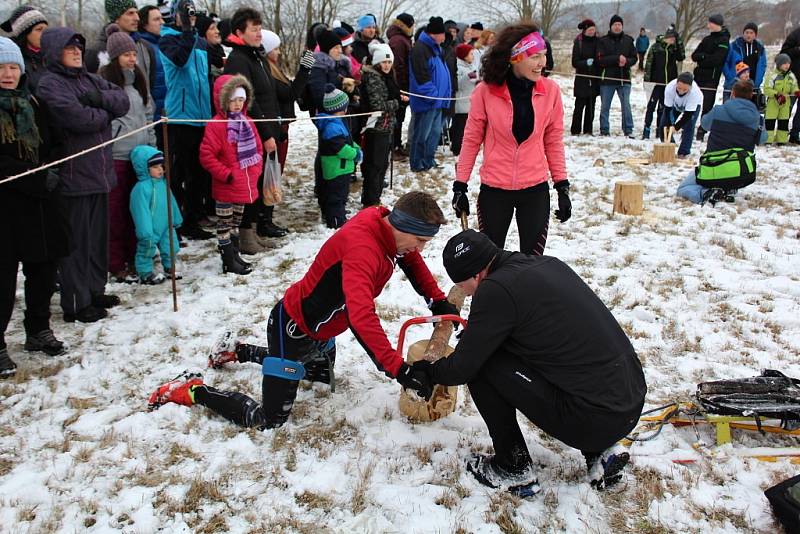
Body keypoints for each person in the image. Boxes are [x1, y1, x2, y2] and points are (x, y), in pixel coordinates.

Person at [148, 192, 457, 431]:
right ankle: (194, 390)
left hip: (325, 333)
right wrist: (399, 369)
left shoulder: (386, 224)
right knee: (269, 419)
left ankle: (239, 351)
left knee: (318, 378)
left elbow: (409, 259)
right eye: (419, 240)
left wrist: (437, 300)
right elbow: (362, 316)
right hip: (292, 329)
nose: (420, 249)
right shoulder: (363, 249)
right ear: (403, 226)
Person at [410, 229, 646, 495]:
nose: (463, 292)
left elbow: (464, 367)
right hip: (628, 401)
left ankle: (513, 467)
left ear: (476, 274)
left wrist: (428, 372)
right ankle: (601, 452)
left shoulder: (495, 290)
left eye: (462, 285)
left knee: (483, 366)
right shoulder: (547, 266)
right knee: (562, 358)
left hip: (591, 418)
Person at [36, 27, 129, 323]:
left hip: (100, 173)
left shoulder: (90, 78)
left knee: (97, 240)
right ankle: (76, 302)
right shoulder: (51, 84)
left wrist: (98, 101)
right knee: (77, 243)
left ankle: (94, 289)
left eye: (79, 47)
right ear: (54, 51)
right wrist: (104, 113)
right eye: (69, 48)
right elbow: (78, 118)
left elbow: (122, 101)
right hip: (74, 176)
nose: (77, 52)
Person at [453, 24, 569, 255]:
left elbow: (553, 140)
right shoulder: (486, 91)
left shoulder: (551, 91)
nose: (542, 63)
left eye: (544, 55)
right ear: (516, 58)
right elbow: (471, 140)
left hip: (535, 190)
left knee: (531, 263)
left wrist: (562, 186)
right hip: (495, 191)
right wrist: (460, 186)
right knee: (491, 261)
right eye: (535, 56)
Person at [0, 36, 71, 378]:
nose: (8, 74)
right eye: (1, 68)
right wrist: (36, 179)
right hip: (8, 205)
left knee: (43, 268)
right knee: (2, 277)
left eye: (13, 66)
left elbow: (57, 142)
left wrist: (55, 168)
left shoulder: (34, 103)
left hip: (42, 205)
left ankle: (37, 329)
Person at [223, 8, 286, 252]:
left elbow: (268, 94)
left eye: (260, 28)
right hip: (251, 133)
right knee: (250, 184)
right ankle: (245, 235)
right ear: (239, 32)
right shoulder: (239, 59)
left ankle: (253, 232)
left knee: (258, 183)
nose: (259, 33)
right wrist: (266, 133)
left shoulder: (256, 55)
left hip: (267, 125)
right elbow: (248, 101)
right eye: (253, 29)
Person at [99, 25, 157, 284]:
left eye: (133, 54)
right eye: (126, 55)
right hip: (118, 157)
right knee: (117, 212)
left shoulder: (139, 83)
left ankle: (138, 257)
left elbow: (148, 116)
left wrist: (152, 149)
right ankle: (116, 261)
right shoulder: (106, 84)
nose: (132, 59)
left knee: (141, 212)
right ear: (114, 57)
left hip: (141, 157)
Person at [159, 0, 215, 241]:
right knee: (179, 174)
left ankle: (193, 219)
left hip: (202, 116)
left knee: (199, 174)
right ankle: (176, 223)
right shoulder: (168, 39)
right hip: (180, 118)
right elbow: (180, 60)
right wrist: (186, 30)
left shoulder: (198, 40)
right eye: (186, 12)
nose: (190, 17)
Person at [199, 74, 263, 275]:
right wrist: (227, 175)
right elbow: (207, 155)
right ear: (223, 100)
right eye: (233, 100)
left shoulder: (248, 121)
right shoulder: (217, 124)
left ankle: (235, 254)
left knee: (236, 221)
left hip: (244, 182)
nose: (237, 105)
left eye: (241, 100)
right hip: (227, 184)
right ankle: (228, 259)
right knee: (224, 224)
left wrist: (255, 172)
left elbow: (258, 150)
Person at [676, 80, 767, 205]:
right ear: (752, 95)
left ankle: (706, 194)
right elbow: (762, 139)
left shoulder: (719, 111)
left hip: (714, 165)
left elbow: (705, 124)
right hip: (741, 172)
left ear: (733, 93)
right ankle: (727, 189)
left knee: (683, 189)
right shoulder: (758, 119)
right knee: (728, 175)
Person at [262, 30, 314, 173]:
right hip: (276, 126)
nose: (279, 53)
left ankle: (273, 192)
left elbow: (290, 88)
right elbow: (289, 94)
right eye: (276, 49)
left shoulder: (274, 68)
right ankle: (270, 194)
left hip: (281, 125)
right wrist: (304, 70)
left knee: (277, 166)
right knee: (274, 167)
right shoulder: (267, 70)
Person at [129, 145, 182, 284]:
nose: (161, 169)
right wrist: (145, 230)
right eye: (155, 167)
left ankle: (170, 267)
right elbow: (140, 211)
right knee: (147, 249)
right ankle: (145, 272)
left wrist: (175, 218)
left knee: (170, 245)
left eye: (161, 166)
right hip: (150, 228)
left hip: (166, 224)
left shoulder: (163, 184)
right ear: (145, 169)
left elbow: (171, 201)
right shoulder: (141, 189)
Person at [360, 43, 404, 208]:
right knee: (375, 164)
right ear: (377, 63)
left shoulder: (387, 77)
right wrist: (397, 103)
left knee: (381, 163)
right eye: (384, 62)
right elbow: (377, 104)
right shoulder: (374, 78)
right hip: (377, 127)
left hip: (386, 126)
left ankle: (374, 196)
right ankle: (371, 199)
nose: (387, 65)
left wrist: (398, 100)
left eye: (389, 62)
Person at [86, 0, 158, 99]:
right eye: (130, 13)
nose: (137, 18)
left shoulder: (146, 47)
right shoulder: (96, 51)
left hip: (143, 112)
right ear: (116, 18)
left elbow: (150, 86)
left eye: (136, 12)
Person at [408, 17, 452, 172]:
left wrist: (444, 96)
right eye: (443, 34)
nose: (445, 37)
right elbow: (421, 77)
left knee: (433, 134)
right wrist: (433, 96)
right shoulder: (420, 49)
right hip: (427, 102)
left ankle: (428, 160)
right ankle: (416, 162)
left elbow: (442, 73)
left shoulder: (436, 49)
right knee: (421, 135)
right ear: (435, 34)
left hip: (438, 101)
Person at [315, 84, 361, 228]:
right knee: (336, 195)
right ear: (341, 108)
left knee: (339, 194)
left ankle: (337, 213)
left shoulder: (336, 122)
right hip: (337, 168)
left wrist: (356, 147)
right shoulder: (332, 126)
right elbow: (340, 148)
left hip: (340, 167)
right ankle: (336, 220)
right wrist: (356, 154)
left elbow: (347, 140)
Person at [596, 15, 637, 137]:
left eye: (619, 24)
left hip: (624, 78)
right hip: (608, 79)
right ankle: (604, 129)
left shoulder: (628, 40)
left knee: (626, 105)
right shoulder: (603, 41)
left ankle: (628, 129)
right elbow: (599, 59)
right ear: (611, 26)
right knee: (605, 106)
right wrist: (616, 59)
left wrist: (627, 62)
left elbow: (634, 58)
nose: (617, 27)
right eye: (615, 25)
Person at [692, 14, 730, 141]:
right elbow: (694, 55)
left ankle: (702, 131)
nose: (708, 25)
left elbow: (717, 59)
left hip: (711, 79)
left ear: (716, 24)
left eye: (710, 23)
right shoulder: (706, 39)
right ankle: (688, 128)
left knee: (707, 107)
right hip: (698, 77)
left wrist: (703, 58)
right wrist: (704, 57)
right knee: (693, 104)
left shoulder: (724, 40)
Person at [642, 28, 684, 139]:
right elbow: (649, 64)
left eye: (674, 38)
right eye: (671, 38)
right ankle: (646, 128)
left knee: (663, 108)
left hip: (669, 84)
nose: (672, 40)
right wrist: (647, 81)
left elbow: (681, 56)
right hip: (655, 83)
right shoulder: (655, 48)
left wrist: (679, 41)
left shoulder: (673, 49)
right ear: (665, 38)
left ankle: (659, 129)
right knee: (651, 107)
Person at [136, 5, 167, 141]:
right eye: (156, 19)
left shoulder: (163, 44)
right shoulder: (141, 47)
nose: (162, 22)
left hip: (168, 113)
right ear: (144, 24)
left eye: (161, 18)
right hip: (154, 116)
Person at [0, 6, 48, 92]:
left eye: (45, 29)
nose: (45, 34)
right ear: (24, 33)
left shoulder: (53, 57)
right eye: (39, 29)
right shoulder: (11, 59)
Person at [386, 13, 414, 159]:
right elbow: (398, 66)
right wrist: (403, 87)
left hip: (403, 84)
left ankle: (396, 144)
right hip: (399, 85)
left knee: (400, 117)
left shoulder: (404, 39)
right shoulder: (398, 40)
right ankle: (393, 147)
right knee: (396, 117)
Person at [658, 72, 703, 157]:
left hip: (693, 106)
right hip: (676, 105)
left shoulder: (694, 93)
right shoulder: (670, 88)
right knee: (663, 125)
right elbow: (668, 109)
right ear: (676, 84)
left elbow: (688, 115)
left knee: (689, 126)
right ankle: (669, 147)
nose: (681, 91)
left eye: (685, 90)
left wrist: (677, 127)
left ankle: (683, 152)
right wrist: (670, 124)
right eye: (679, 88)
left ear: (690, 87)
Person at [723, 22, 766, 104]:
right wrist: (730, 78)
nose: (748, 35)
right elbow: (725, 61)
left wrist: (758, 81)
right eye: (746, 32)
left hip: (752, 86)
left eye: (751, 33)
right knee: (730, 112)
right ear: (743, 33)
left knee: (749, 113)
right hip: (733, 85)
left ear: (755, 35)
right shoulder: (734, 46)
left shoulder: (760, 48)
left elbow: (763, 65)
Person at [570, 19, 599, 136]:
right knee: (579, 105)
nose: (592, 32)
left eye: (593, 29)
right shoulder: (579, 42)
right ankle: (575, 130)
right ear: (585, 30)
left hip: (594, 77)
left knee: (591, 105)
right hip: (582, 78)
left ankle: (588, 130)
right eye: (590, 30)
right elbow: (574, 62)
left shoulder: (598, 41)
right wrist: (585, 63)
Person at [450, 43, 478, 155]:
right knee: (459, 127)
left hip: (467, 103)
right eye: (471, 54)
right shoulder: (459, 68)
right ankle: (457, 148)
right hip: (461, 103)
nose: (473, 56)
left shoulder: (469, 66)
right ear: (464, 55)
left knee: (463, 127)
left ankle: (460, 146)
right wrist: (471, 77)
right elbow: (461, 84)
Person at [763, 54, 798, 144]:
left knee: (784, 121)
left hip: (786, 103)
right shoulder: (772, 76)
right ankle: (768, 140)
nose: (787, 65)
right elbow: (766, 89)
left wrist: (796, 91)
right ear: (779, 64)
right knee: (770, 121)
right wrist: (776, 94)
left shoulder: (791, 76)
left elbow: (794, 86)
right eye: (784, 63)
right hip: (773, 102)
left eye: (788, 63)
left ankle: (781, 140)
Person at [779, 24, 800, 143]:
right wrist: (797, 50)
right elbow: (784, 52)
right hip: (793, 78)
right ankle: (782, 133)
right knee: (787, 107)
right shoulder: (795, 34)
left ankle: (795, 134)